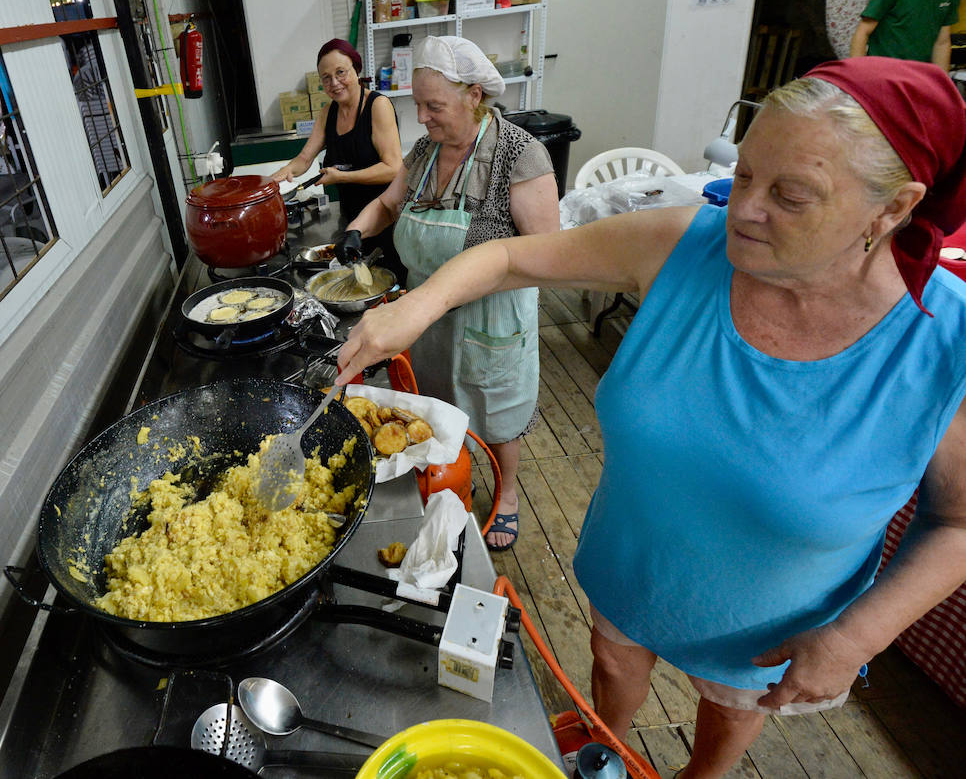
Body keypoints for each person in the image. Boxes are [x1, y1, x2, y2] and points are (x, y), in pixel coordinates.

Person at [335, 56, 966, 778]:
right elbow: (512, 256)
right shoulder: (684, 247)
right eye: (747, 173)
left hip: (769, 631)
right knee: (612, 672)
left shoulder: (944, 346)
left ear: (893, 209)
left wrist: (857, 636)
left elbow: (958, 522)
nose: (745, 208)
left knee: (724, 726)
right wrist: (419, 304)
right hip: (630, 571)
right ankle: (610, 746)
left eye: (791, 194)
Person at [340, 35, 559, 549]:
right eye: (416, 104)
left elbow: (547, 256)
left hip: (491, 317)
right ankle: (450, 480)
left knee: (497, 414)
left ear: (473, 95)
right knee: (437, 407)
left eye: (433, 105)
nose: (422, 117)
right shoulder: (423, 152)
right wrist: (357, 227)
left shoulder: (519, 156)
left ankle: (506, 498)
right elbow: (389, 206)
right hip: (427, 316)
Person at [268, 39, 407, 283]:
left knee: (388, 283)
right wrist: (285, 171)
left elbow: (393, 168)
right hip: (351, 219)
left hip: (385, 220)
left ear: (356, 69)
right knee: (358, 283)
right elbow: (304, 158)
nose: (334, 83)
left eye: (340, 72)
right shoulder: (328, 112)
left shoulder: (378, 105)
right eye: (326, 77)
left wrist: (342, 177)